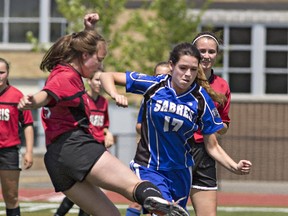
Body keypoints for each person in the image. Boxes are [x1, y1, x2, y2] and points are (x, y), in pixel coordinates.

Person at [17, 13, 188, 216]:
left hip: (56, 160)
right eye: (99, 60)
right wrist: (32, 101)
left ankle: (155, 201)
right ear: (84, 56)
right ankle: (159, 201)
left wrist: (90, 30)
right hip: (76, 147)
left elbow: (82, 52)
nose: (101, 66)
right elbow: (46, 95)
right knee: (134, 186)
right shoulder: (66, 77)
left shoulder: (63, 68)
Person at [100, 42, 252, 215]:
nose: (187, 74)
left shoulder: (201, 100)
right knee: (163, 209)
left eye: (193, 70)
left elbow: (212, 146)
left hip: (180, 172)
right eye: (183, 68)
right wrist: (115, 94)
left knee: (171, 211)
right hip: (149, 166)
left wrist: (235, 166)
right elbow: (107, 76)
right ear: (171, 66)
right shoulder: (154, 85)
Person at [55, 68, 114, 216]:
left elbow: (104, 125)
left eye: (102, 80)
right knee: (80, 189)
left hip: (98, 150)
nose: (100, 84)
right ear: (89, 81)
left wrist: (108, 133)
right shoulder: (82, 99)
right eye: (96, 80)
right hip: (84, 149)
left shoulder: (104, 102)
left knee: (90, 191)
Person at [189, 31, 231, 216]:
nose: (206, 56)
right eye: (202, 51)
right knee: (169, 209)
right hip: (178, 150)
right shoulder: (182, 79)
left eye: (211, 52)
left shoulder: (222, 85)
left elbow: (224, 125)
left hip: (205, 151)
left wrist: (216, 124)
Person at [126, 62, 171, 216]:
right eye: (157, 75)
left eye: (165, 75)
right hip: (149, 157)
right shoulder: (149, 98)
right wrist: (152, 129)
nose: (161, 78)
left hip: (170, 161)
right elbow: (139, 125)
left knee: (162, 204)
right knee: (143, 199)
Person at [0, 57, 34, 216]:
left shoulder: (16, 96)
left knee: (11, 196)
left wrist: (29, 151)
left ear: (7, 74)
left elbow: (27, 124)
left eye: (1, 72)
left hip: (9, 153)